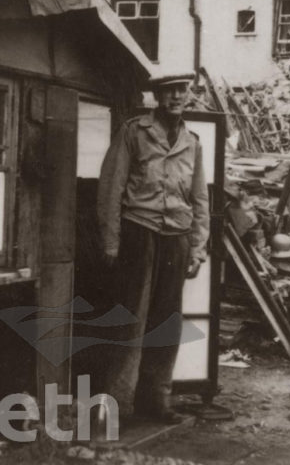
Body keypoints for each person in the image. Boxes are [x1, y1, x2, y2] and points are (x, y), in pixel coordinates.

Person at [97, 72, 209, 424]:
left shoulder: (192, 141)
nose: (176, 96)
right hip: (139, 232)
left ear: (189, 94)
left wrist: (197, 247)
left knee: (167, 322)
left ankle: (157, 401)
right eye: (169, 91)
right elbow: (110, 189)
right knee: (131, 318)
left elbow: (200, 198)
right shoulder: (134, 132)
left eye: (182, 90)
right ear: (157, 96)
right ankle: (119, 404)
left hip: (176, 236)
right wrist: (111, 242)